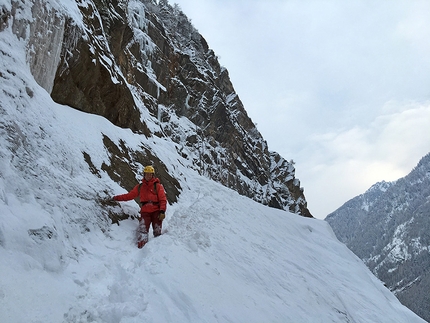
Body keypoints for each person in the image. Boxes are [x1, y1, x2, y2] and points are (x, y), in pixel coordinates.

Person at [113, 165, 167, 248]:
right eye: (147, 174)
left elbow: (163, 199)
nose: (148, 176)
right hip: (145, 211)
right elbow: (129, 196)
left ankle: (158, 249)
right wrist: (116, 198)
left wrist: (162, 211)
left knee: (157, 230)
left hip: (156, 210)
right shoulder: (140, 187)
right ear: (144, 174)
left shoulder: (158, 186)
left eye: (150, 174)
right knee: (143, 230)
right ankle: (142, 246)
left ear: (153, 175)